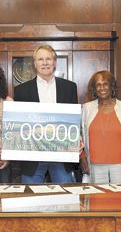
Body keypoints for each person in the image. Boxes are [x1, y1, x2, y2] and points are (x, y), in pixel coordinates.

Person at [14, 45, 78, 183]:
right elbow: (18, 126)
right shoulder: (21, 90)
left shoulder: (70, 87)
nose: (45, 62)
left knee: (66, 198)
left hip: (62, 154)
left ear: (54, 62)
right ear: (35, 64)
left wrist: (78, 138)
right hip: (33, 157)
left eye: (48, 59)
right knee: (30, 198)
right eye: (40, 59)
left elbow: (74, 122)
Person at [82, 70, 121, 184]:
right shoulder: (86, 109)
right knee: (97, 200)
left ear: (112, 86)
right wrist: (82, 159)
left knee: (119, 199)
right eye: (98, 85)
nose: (102, 88)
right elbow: (79, 138)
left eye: (105, 84)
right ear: (94, 88)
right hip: (94, 165)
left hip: (120, 165)